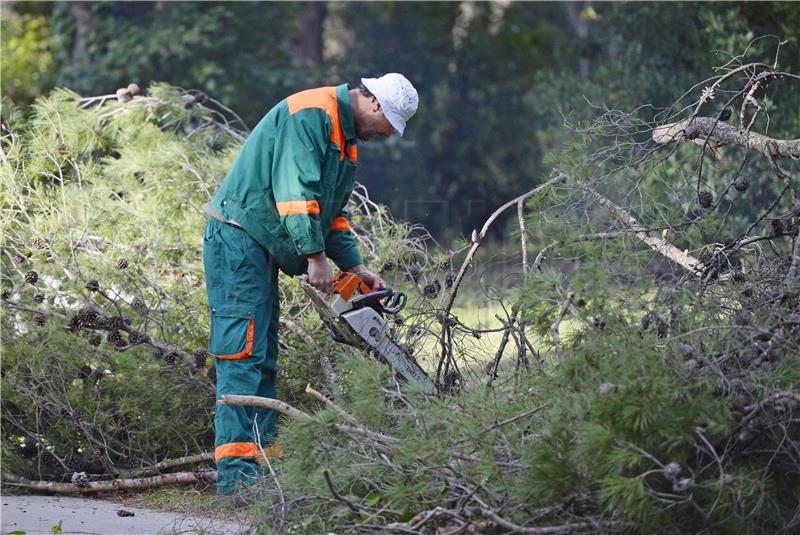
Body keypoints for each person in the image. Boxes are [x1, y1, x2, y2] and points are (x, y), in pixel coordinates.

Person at [202, 73, 419, 495]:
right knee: (241, 352)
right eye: (389, 125)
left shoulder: (345, 140)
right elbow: (294, 194)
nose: (387, 135)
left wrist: (354, 267)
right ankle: (236, 482)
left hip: (262, 241)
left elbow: (330, 216)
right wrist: (315, 258)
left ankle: (261, 474)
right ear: (374, 104)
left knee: (263, 356)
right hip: (239, 238)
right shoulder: (312, 114)